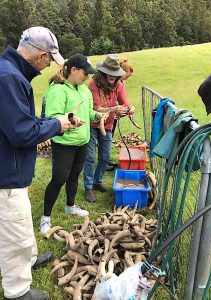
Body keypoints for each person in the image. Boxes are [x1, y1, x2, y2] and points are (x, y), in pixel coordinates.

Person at [0, 26, 77, 300]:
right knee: (14, 233)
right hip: (6, 176)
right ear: (40, 56)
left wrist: (55, 123)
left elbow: (23, 121)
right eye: (48, 60)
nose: (47, 67)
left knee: (19, 222)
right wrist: (57, 125)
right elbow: (22, 133)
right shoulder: (9, 78)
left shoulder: (10, 71)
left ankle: (30, 257)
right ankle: (18, 291)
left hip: (12, 170)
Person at [40, 54, 102, 234]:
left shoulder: (84, 90)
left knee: (75, 176)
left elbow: (89, 112)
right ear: (73, 70)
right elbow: (52, 117)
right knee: (59, 179)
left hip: (82, 141)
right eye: (85, 73)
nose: (87, 77)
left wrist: (97, 115)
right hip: (64, 143)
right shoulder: (57, 90)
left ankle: (70, 206)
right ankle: (45, 218)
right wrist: (71, 119)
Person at [83, 54, 135, 203]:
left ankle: (97, 181)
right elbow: (96, 108)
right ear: (103, 72)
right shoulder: (94, 84)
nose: (112, 76)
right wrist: (113, 109)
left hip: (108, 125)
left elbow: (125, 103)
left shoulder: (119, 85)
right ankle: (88, 187)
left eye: (115, 73)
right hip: (93, 124)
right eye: (109, 72)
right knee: (90, 157)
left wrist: (130, 109)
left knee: (105, 157)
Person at [107, 57, 134, 170]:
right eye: (127, 75)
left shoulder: (121, 82)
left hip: (116, 113)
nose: (127, 78)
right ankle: (105, 162)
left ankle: (106, 160)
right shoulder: (115, 82)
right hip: (110, 113)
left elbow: (123, 98)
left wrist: (128, 108)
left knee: (110, 136)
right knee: (107, 137)